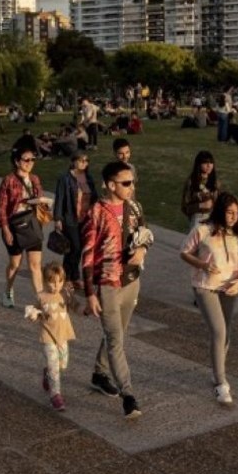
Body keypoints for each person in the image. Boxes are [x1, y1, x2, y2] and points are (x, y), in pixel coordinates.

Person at [82, 160, 152, 420]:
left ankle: (99, 374)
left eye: (132, 182)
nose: (131, 187)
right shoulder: (96, 212)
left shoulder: (134, 207)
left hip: (132, 281)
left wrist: (142, 249)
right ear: (111, 185)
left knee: (118, 334)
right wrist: (90, 293)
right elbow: (87, 255)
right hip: (108, 285)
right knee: (115, 340)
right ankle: (129, 396)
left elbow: (145, 234)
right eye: (126, 183)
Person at [178, 192, 238, 405]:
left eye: (236, 213)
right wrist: (203, 265)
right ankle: (220, 383)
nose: (233, 217)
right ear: (220, 211)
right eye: (229, 212)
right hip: (205, 287)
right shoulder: (202, 230)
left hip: (229, 288)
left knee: (226, 333)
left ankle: (217, 371)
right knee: (218, 331)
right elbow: (184, 252)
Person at [0, 148, 48, 307]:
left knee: (35, 265)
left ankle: (41, 300)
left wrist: (43, 203)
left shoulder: (34, 179)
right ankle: (8, 290)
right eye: (26, 160)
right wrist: (6, 230)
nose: (30, 163)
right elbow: (1, 208)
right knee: (15, 264)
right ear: (17, 161)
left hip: (32, 223)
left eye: (32, 159)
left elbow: (39, 198)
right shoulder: (8, 180)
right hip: (14, 226)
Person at [27, 262, 79, 412]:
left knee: (63, 364)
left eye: (60, 281)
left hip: (62, 335)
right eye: (52, 282)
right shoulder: (41, 296)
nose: (56, 285)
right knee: (54, 366)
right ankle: (55, 395)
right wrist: (33, 314)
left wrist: (86, 309)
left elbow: (75, 305)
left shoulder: (64, 295)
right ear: (45, 281)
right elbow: (35, 310)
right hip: (48, 336)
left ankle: (47, 373)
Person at [53, 151, 98, 285]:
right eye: (81, 160)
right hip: (70, 218)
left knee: (79, 249)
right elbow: (60, 198)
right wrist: (58, 218)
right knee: (74, 248)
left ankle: (75, 276)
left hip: (85, 219)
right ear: (73, 162)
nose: (84, 163)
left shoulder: (88, 178)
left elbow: (94, 197)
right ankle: (66, 277)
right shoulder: (65, 179)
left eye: (86, 161)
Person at [181, 151, 221, 228]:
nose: (209, 165)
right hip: (198, 219)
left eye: (211, 163)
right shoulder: (191, 182)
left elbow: (220, 202)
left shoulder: (216, 182)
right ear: (199, 164)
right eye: (205, 163)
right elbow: (185, 207)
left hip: (213, 219)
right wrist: (201, 205)